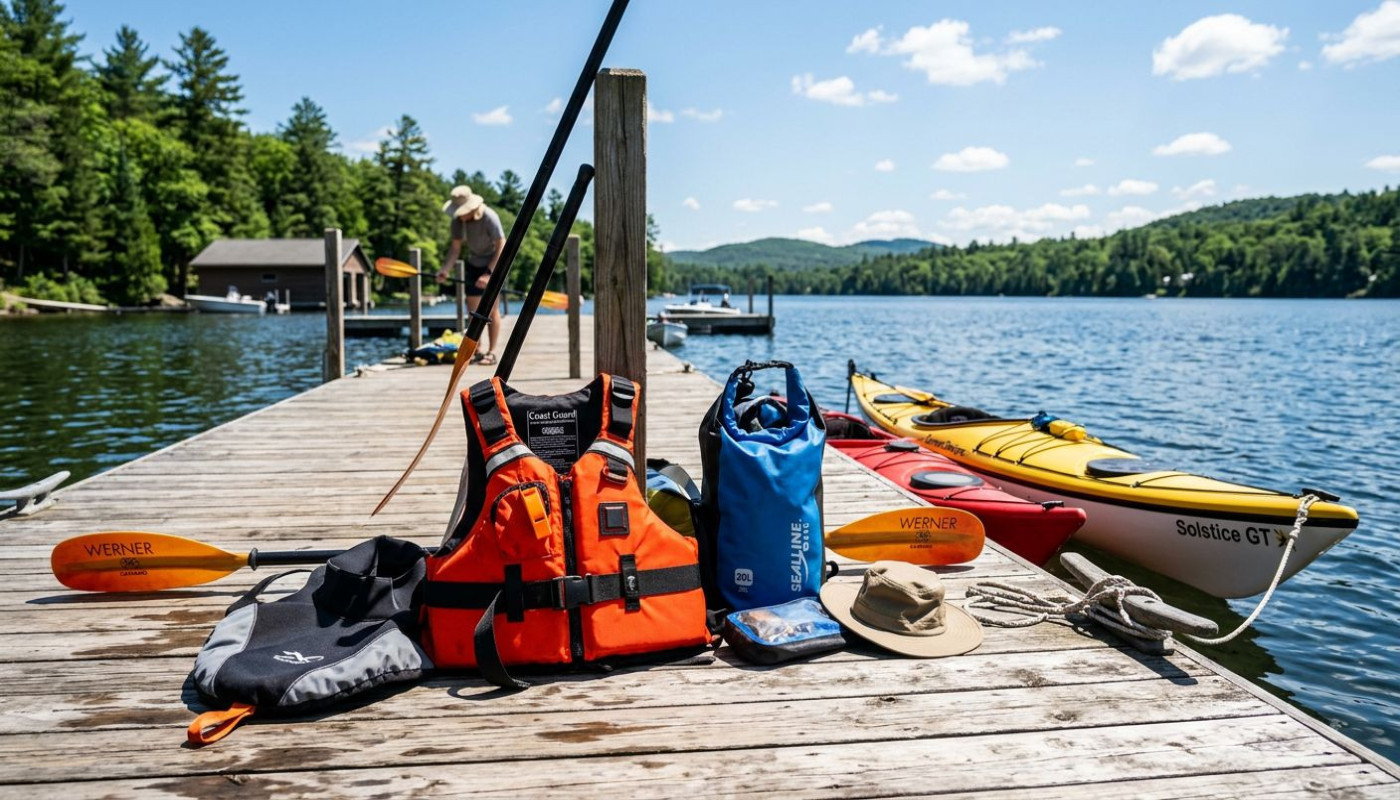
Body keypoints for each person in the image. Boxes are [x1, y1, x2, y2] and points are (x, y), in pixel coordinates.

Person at [438, 185, 505, 364]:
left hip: (495, 262)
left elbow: (501, 246)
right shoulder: (458, 221)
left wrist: (489, 273)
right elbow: (455, 249)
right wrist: (445, 269)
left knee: (491, 310)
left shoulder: (489, 217)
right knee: (473, 311)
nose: (460, 215)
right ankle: (477, 349)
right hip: (474, 263)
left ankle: (491, 352)